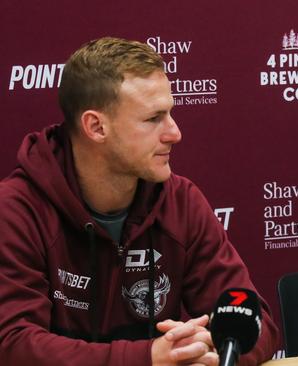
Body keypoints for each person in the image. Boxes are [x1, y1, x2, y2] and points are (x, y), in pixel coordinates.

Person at [0, 37, 280, 365]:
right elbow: (13, 345)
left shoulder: (181, 201)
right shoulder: (17, 210)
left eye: (170, 114)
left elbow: (257, 321)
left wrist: (216, 345)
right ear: (95, 126)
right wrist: (147, 359)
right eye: (152, 119)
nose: (174, 133)